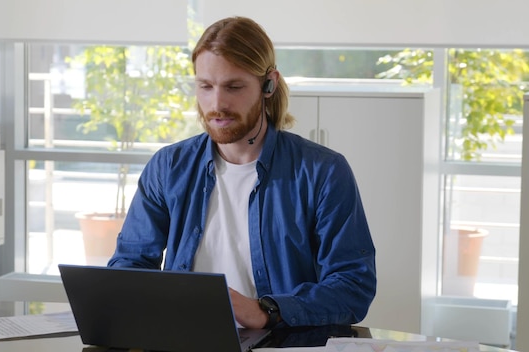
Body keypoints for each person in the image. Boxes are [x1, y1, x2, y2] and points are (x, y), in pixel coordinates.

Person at [108, 16, 376, 330]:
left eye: (234, 87)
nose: (216, 103)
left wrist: (267, 311)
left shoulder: (323, 172)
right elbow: (129, 267)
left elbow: (352, 286)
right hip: (184, 340)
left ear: (269, 84)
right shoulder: (168, 167)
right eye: (205, 86)